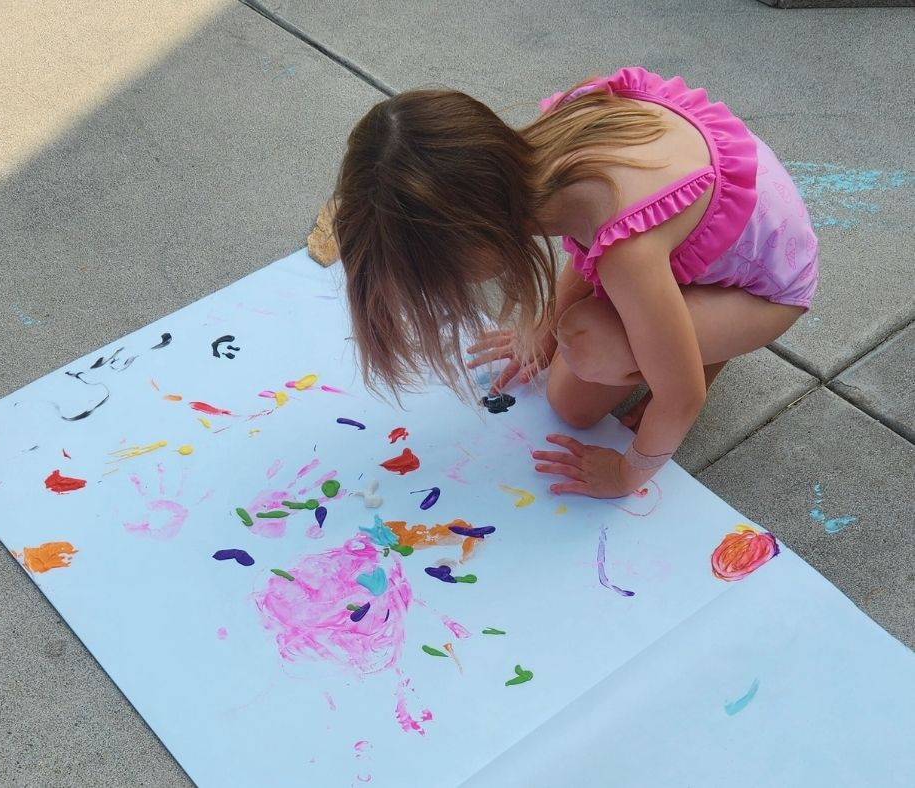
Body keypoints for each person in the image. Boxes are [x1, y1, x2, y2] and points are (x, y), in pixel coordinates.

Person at [332, 66, 818, 499]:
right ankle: (680, 331)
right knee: (573, 363)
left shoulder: (629, 252)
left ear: (481, 234)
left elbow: (681, 396)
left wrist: (627, 474)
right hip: (722, 226)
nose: (446, 291)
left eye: (444, 278)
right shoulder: (545, 157)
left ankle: (708, 347)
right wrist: (544, 328)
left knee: (584, 365)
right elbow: (589, 239)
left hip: (763, 291)